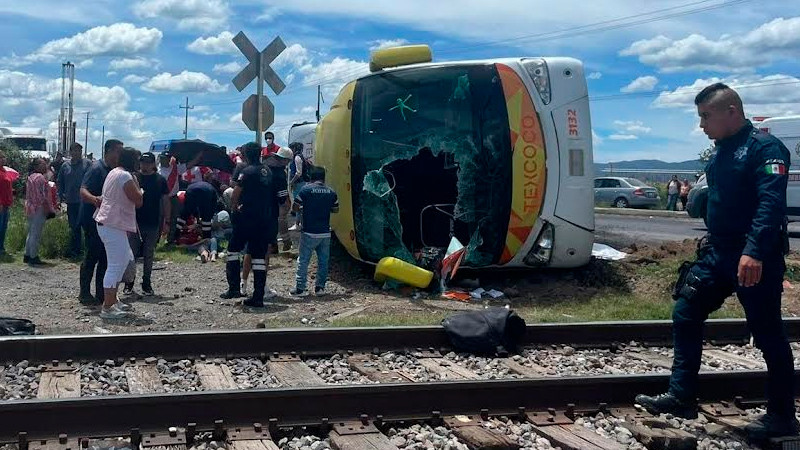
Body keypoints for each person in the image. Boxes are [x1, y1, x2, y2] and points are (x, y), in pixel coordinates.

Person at [635, 83, 797, 442]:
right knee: (686, 312)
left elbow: (770, 205)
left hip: (754, 256)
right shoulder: (721, 151)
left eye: (706, 116)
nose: (702, 124)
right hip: (719, 253)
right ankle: (681, 397)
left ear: (732, 112)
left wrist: (754, 251)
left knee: (768, 333)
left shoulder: (766, 149)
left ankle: (783, 417)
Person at [221, 142, 281, 307]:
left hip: (246, 217)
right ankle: (258, 296)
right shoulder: (268, 171)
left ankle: (234, 287)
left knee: (233, 250)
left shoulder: (246, 171)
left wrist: (234, 208)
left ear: (246, 155)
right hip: (264, 219)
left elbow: (236, 193)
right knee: (259, 257)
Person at [94, 148, 142, 319]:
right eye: (137, 159)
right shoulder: (125, 176)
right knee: (115, 265)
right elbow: (138, 200)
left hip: (110, 222)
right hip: (113, 223)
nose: (139, 162)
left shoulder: (114, 172)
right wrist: (138, 186)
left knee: (120, 263)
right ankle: (107, 307)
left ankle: (113, 301)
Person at [79, 140, 123, 304]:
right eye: (118, 152)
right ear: (109, 151)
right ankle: (84, 293)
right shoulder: (97, 168)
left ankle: (101, 293)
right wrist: (94, 199)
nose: (120, 155)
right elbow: (83, 190)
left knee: (106, 258)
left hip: (108, 222)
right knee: (92, 256)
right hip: (93, 220)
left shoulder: (115, 171)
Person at [125, 152, 169, 296]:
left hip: (152, 222)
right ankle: (129, 282)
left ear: (153, 164)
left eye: (148, 162)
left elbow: (165, 201)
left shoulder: (160, 180)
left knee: (149, 255)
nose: (144, 165)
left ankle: (147, 283)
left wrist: (167, 221)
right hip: (134, 222)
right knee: (132, 254)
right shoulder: (134, 178)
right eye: (142, 162)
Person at [290, 167, 339, 296]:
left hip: (309, 231)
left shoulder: (305, 190)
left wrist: (303, 208)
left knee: (304, 260)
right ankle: (320, 288)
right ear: (323, 178)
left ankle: (300, 288)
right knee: (323, 261)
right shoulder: (331, 192)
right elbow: (335, 209)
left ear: (311, 177)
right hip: (325, 232)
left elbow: (295, 207)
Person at [57, 143, 91, 258]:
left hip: (85, 201)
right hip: (71, 201)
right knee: (74, 227)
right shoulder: (65, 166)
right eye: (74, 151)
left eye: (79, 151)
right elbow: (60, 182)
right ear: (70, 152)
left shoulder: (88, 164)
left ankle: (88, 251)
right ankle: (75, 251)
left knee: (87, 226)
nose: (77, 153)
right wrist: (60, 196)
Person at [23, 158, 57, 265]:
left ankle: (27, 254)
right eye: (43, 164)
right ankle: (34, 256)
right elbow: (43, 196)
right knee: (36, 233)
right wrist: (48, 209)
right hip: (39, 208)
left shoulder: (30, 177)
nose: (45, 166)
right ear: (37, 166)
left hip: (30, 207)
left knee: (31, 232)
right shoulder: (41, 178)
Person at [265, 147, 292, 252]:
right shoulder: (279, 172)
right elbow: (281, 190)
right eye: (288, 161)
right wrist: (283, 201)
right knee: (275, 222)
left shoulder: (266, 164)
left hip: (263, 199)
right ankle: (273, 245)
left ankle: (271, 244)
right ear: (284, 159)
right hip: (273, 201)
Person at [0, 150, 13, 256]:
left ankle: (1, 247)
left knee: (4, 226)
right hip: (1, 203)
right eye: (0, 158)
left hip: (6, 203)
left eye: (3, 157)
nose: (3, 159)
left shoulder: (4, 171)